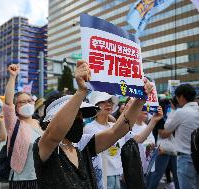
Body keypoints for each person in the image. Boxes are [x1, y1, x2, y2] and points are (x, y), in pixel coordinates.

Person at [32, 60, 154, 189]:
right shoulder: (44, 146)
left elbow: (116, 132)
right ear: (51, 120)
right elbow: (54, 135)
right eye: (75, 115)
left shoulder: (82, 145)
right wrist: (81, 92)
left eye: (81, 115)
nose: (80, 120)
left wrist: (140, 100)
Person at [84, 92, 163, 189]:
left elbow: (139, 139)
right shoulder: (90, 128)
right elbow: (112, 134)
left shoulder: (114, 126)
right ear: (95, 105)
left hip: (118, 175)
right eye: (103, 101)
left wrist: (154, 120)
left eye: (110, 101)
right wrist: (127, 111)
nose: (108, 104)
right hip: (102, 177)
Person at [3, 64, 43, 189]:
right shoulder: (14, 124)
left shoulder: (41, 124)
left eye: (29, 101)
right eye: (22, 102)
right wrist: (13, 77)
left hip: (42, 177)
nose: (27, 103)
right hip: (22, 180)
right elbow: (8, 102)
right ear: (16, 107)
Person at [163, 84, 199, 189]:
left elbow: (167, 128)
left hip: (186, 158)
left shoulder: (181, 112)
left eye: (177, 97)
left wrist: (173, 110)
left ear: (182, 97)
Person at [147, 97, 179, 189]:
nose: (172, 106)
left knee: (176, 173)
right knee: (157, 173)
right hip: (163, 149)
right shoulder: (160, 117)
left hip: (171, 148)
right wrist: (175, 125)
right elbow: (163, 134)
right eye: (170, 104)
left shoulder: (168, 116)